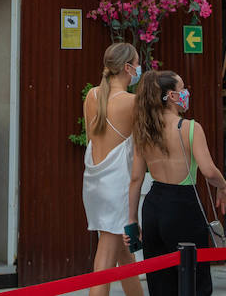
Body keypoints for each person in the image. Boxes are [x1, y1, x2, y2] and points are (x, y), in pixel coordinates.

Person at [126, 71, 226, 296]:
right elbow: (209, 171)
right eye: (183, 88)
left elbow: (136, 179)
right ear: (172, 96)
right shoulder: (189, 128)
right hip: (183, 205)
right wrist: (223, 187)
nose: (187, 93)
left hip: (153, 207)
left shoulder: (143, 130)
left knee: (160, 281)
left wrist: (132, 220)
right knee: (194, 280)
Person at [80, 43, 144, 296]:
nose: (139, 68)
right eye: (137, 63)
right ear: (128, 68)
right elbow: (141, 152)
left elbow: (89, 139)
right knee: (106, 255)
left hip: (95, 181)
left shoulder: (92, 95)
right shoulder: (132, 101)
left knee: (124, 253)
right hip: (118, 184)